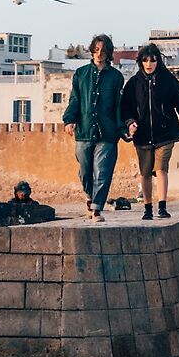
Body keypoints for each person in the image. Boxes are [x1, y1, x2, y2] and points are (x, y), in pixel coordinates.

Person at [119, 43, 179, 221]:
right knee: (146, 172)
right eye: (145, 60)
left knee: (161, 168)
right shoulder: (133, 84)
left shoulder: (168, 80)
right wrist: (130, 123)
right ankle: (148, 208)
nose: (149, 64)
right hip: (142, 136)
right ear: (140, 62)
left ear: (158, 61)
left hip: (165, 133)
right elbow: (125, 108)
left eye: (153, 60)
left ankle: (162, 207)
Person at [61, 34, 126, 220]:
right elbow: (75, 100)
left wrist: (123, 129)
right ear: (91, 51)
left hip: (107, 132)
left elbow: (118, 105)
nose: (99, 54)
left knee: (103, 172)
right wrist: (69, 120)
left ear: (108, 53)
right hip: (84, 131)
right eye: (96, 50)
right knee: (85, 171)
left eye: (103, 51)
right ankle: (90, 196)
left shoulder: (115, 77)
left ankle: (97, 208)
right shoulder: (81, 74)